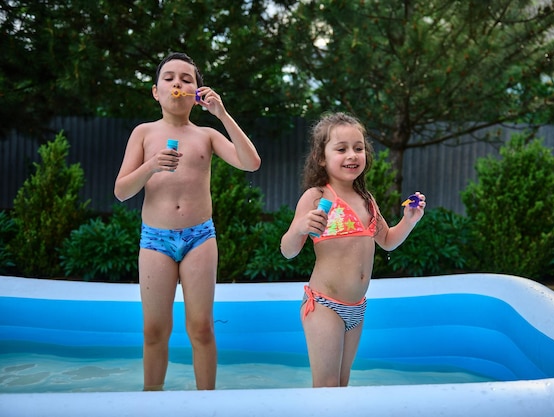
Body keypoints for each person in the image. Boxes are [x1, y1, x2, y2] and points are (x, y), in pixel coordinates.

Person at [114, 52, 261, 391]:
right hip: (155, 240)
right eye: (169, 78)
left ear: (197, 92)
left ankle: (206, 404)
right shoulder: (144, 133)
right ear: (156, 91)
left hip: (199, 238)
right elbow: (121, 191)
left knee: (202, 328)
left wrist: (222, 115)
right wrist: (150, 166)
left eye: (186, 79)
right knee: (154, 330)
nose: (177, 83)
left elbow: (251, 163)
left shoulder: (206, 136)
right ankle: (151, 401)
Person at [280, 112, 425, 388]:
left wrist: (409, 221)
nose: (352, 155)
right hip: (324, 305)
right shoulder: (316, 197)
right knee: (326, 387)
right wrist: (299, 226)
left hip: (356, 308)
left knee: (342, 386)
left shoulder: (366, 199)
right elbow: (288, 251)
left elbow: (388, 241)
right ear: (322, 157)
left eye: (359, 148)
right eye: (342, 149)